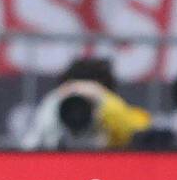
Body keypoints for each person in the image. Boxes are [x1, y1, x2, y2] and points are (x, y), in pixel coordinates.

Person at [20, 57, 151, 150]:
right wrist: (54, 100)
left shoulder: (110, 106)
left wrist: (102, 97)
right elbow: (30, 146)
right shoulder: (55, 102)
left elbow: (130, 132)